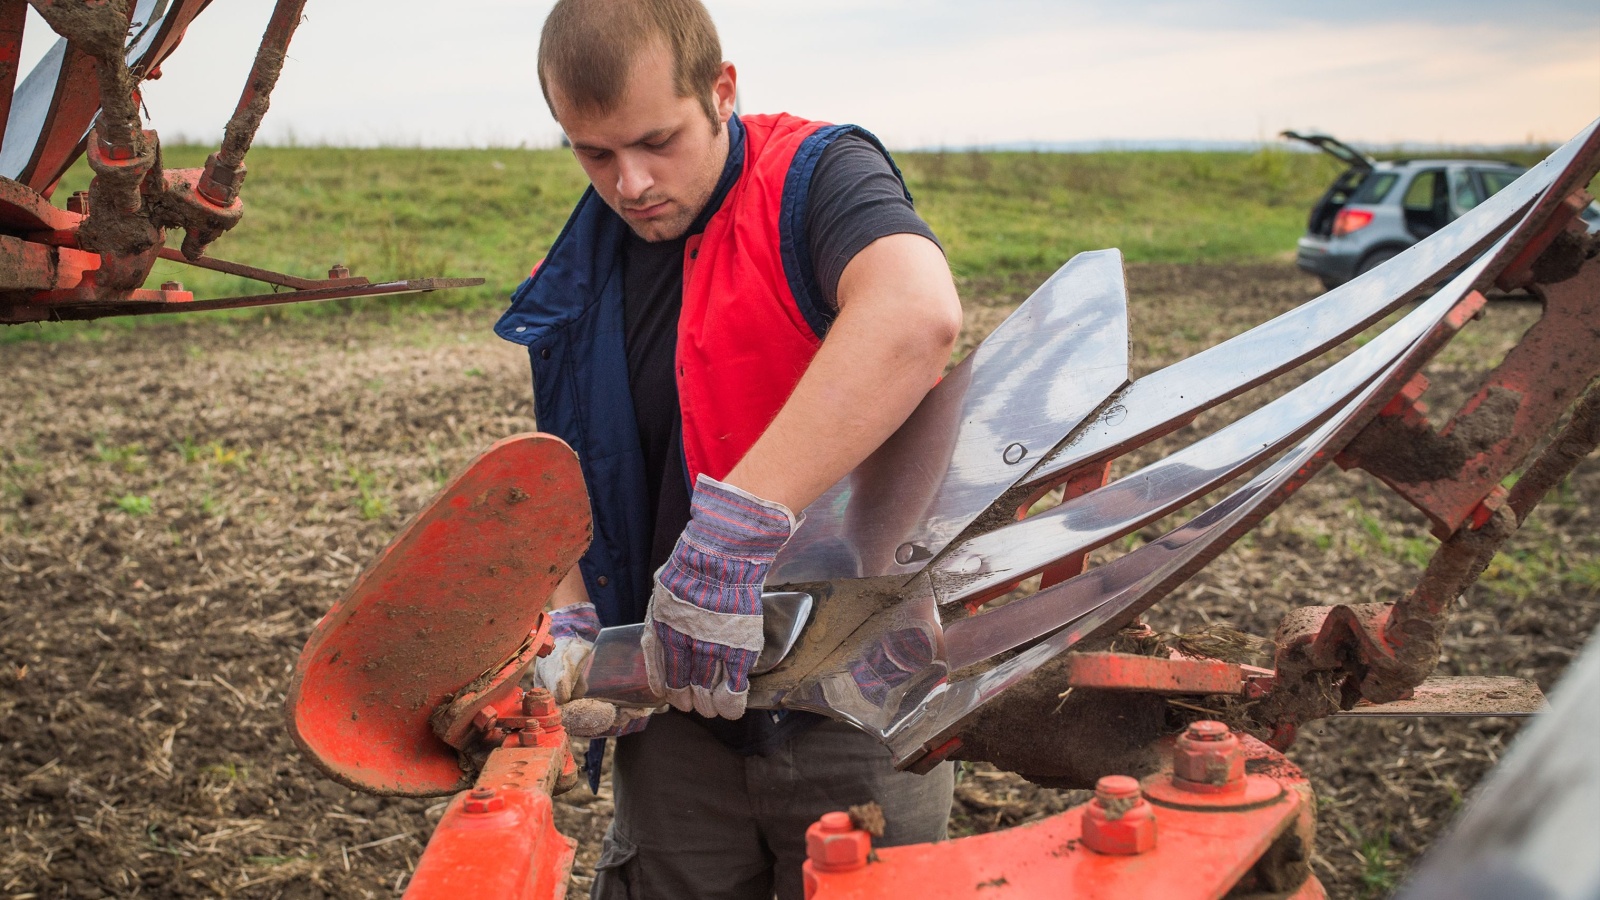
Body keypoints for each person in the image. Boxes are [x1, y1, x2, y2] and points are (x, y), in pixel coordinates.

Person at [495, 1, 963, 896]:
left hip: (854, 699)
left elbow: (915, 314)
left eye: (656, 141)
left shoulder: (817, 178)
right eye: (594, 154)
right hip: (677, 707)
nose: (630, 183)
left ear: (722, 91)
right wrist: (572, 613)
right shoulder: (581, 270)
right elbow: (572, 458)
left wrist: (734, 533)